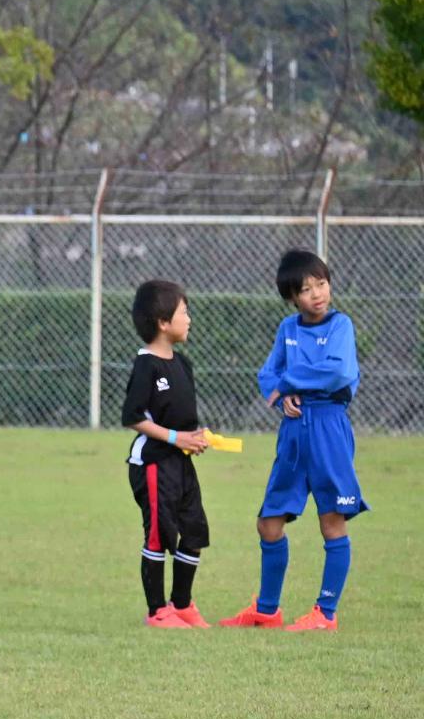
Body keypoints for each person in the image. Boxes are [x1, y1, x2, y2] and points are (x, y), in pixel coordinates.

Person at [220, 250, 366, 631]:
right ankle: (267, 611)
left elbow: (338, 372)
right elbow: (268, 374)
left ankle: (325, 614)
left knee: (331, 521)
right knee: (269, 522)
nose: (317, 293)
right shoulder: (288, 328)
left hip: (329, 428)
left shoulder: (341, 326)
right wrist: (282, 396)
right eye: (306, 289)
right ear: (292, 297)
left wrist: (290, 382)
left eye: (322, 283)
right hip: (293, 434)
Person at [121, 280, 214, 628]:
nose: (189, 319)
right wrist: (177, 438)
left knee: (194, 530)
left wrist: (196, 436)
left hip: (181, 464)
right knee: (159, 535)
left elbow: (181, 416)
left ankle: (183, 605)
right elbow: (132, 417)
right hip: (153, 464)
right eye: (184, 312)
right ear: (163, 322)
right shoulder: (146, 365)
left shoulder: (183, 364)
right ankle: (158, 612)